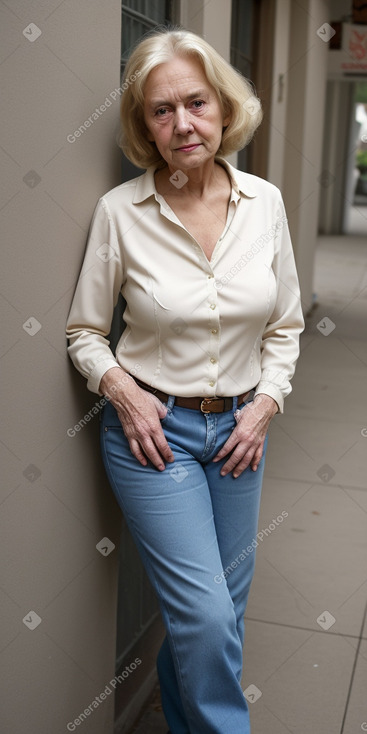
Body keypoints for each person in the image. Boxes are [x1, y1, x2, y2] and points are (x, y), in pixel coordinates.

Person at [66, 27, 304, 734]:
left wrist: (265, 403)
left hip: (240, 433)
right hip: (153, 436)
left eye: (195, 103)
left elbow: (284, 327)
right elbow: (84, 331)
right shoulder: (121, 213)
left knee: (217, 617)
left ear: (223, 108)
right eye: (160, 111)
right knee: (203, 614)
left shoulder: (264, 205)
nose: (181, 124)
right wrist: (121, 389)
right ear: (144, 127)